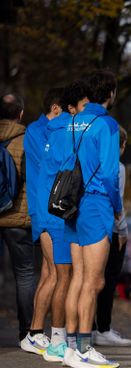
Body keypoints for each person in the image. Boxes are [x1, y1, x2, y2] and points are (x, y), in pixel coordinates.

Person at [61, 70, 122, 368]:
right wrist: (118, 207)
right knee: (94, 282)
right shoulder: (108, 124)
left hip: (73, 206)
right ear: (110, 93)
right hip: (97, 204)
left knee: (78, 278)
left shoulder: (73, 120)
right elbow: (111, 173)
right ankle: (85, 350)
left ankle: (71, 348)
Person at [35, 80, 89, 362]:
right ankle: (61, 343)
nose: (87, 110)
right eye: (84, 105)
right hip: (60, 216)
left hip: (50, 213)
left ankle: (59, 341)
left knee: (61, 278)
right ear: (72, 108)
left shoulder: (53, 131)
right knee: (65, 278)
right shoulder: (69, 132)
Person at [21, 87, 73, 361]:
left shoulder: (39, 131)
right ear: (56, 109)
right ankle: (40, 333)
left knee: (48, 274)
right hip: (47, 211)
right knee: (56, 275)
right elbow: (52, 170)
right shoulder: (42, 132)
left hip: (45, 210)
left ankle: (35, 332)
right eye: (68, 111)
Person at [0, 93, 36, 346]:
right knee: (24, 275)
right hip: (16, 215)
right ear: (20, 113)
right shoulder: (27, 140)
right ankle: (27, 333)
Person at [92, 126, 131, 346]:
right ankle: (104, 329)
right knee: (108, 280)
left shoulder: (90, 162)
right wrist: (123, 231)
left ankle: (86, 329)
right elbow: (117, 204)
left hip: (88, 227)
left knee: (88, 279)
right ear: (122, 146)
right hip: (111, 230)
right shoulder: (117, 167)